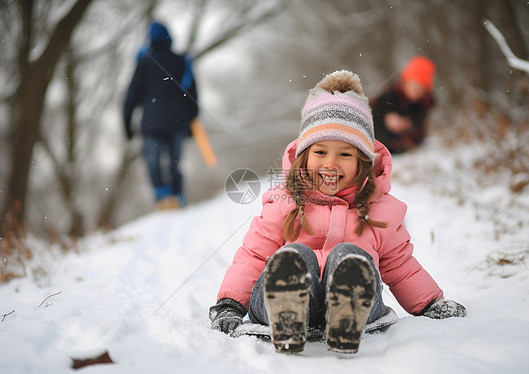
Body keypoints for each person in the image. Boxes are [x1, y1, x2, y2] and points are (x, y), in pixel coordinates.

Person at [209, 70, 465, 354]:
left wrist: (430, 302)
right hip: (275, 305)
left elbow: (400, 266)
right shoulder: (285, 203)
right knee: (296, 259)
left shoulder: (380, 211)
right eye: (320, 153)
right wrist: (230, 305)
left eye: (345, 154)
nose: (331, 163)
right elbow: (254, 256)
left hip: (359, 306)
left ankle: (346, 309)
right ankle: (288, 308)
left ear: (363, 162)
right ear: (303, 157)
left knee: (351, 259)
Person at [123, 21, 199, 209]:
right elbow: (192, 94)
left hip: (151, 123)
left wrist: (127, 125)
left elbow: (131, 95)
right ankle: (178, 196)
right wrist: (192, 120)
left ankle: (162, 196)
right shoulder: (182, 61)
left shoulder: (144, 62)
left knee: (153, 161)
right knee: (175, 163)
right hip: (177, 122)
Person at [369, 56, 436, 154]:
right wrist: (386, 118)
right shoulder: (390, 96)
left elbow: (420, 131)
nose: (414, 91)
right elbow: (372, 111)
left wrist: (408, 126)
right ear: (404, 83)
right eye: (412, 85)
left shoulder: (423, 105)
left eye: (419, 88)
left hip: (400, 145)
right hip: (379, 138)